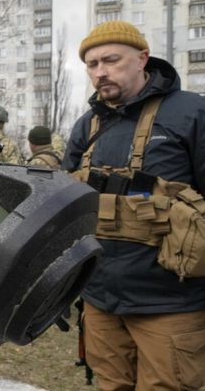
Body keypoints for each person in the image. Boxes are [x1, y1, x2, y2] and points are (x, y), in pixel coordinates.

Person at [63, 20, 205, 390]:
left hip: (171, 303)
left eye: (111, 60)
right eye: (92, 65)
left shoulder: (191, 114)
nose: (100, 72)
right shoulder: (87, 126)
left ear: (143, 59)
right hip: (100, 298)